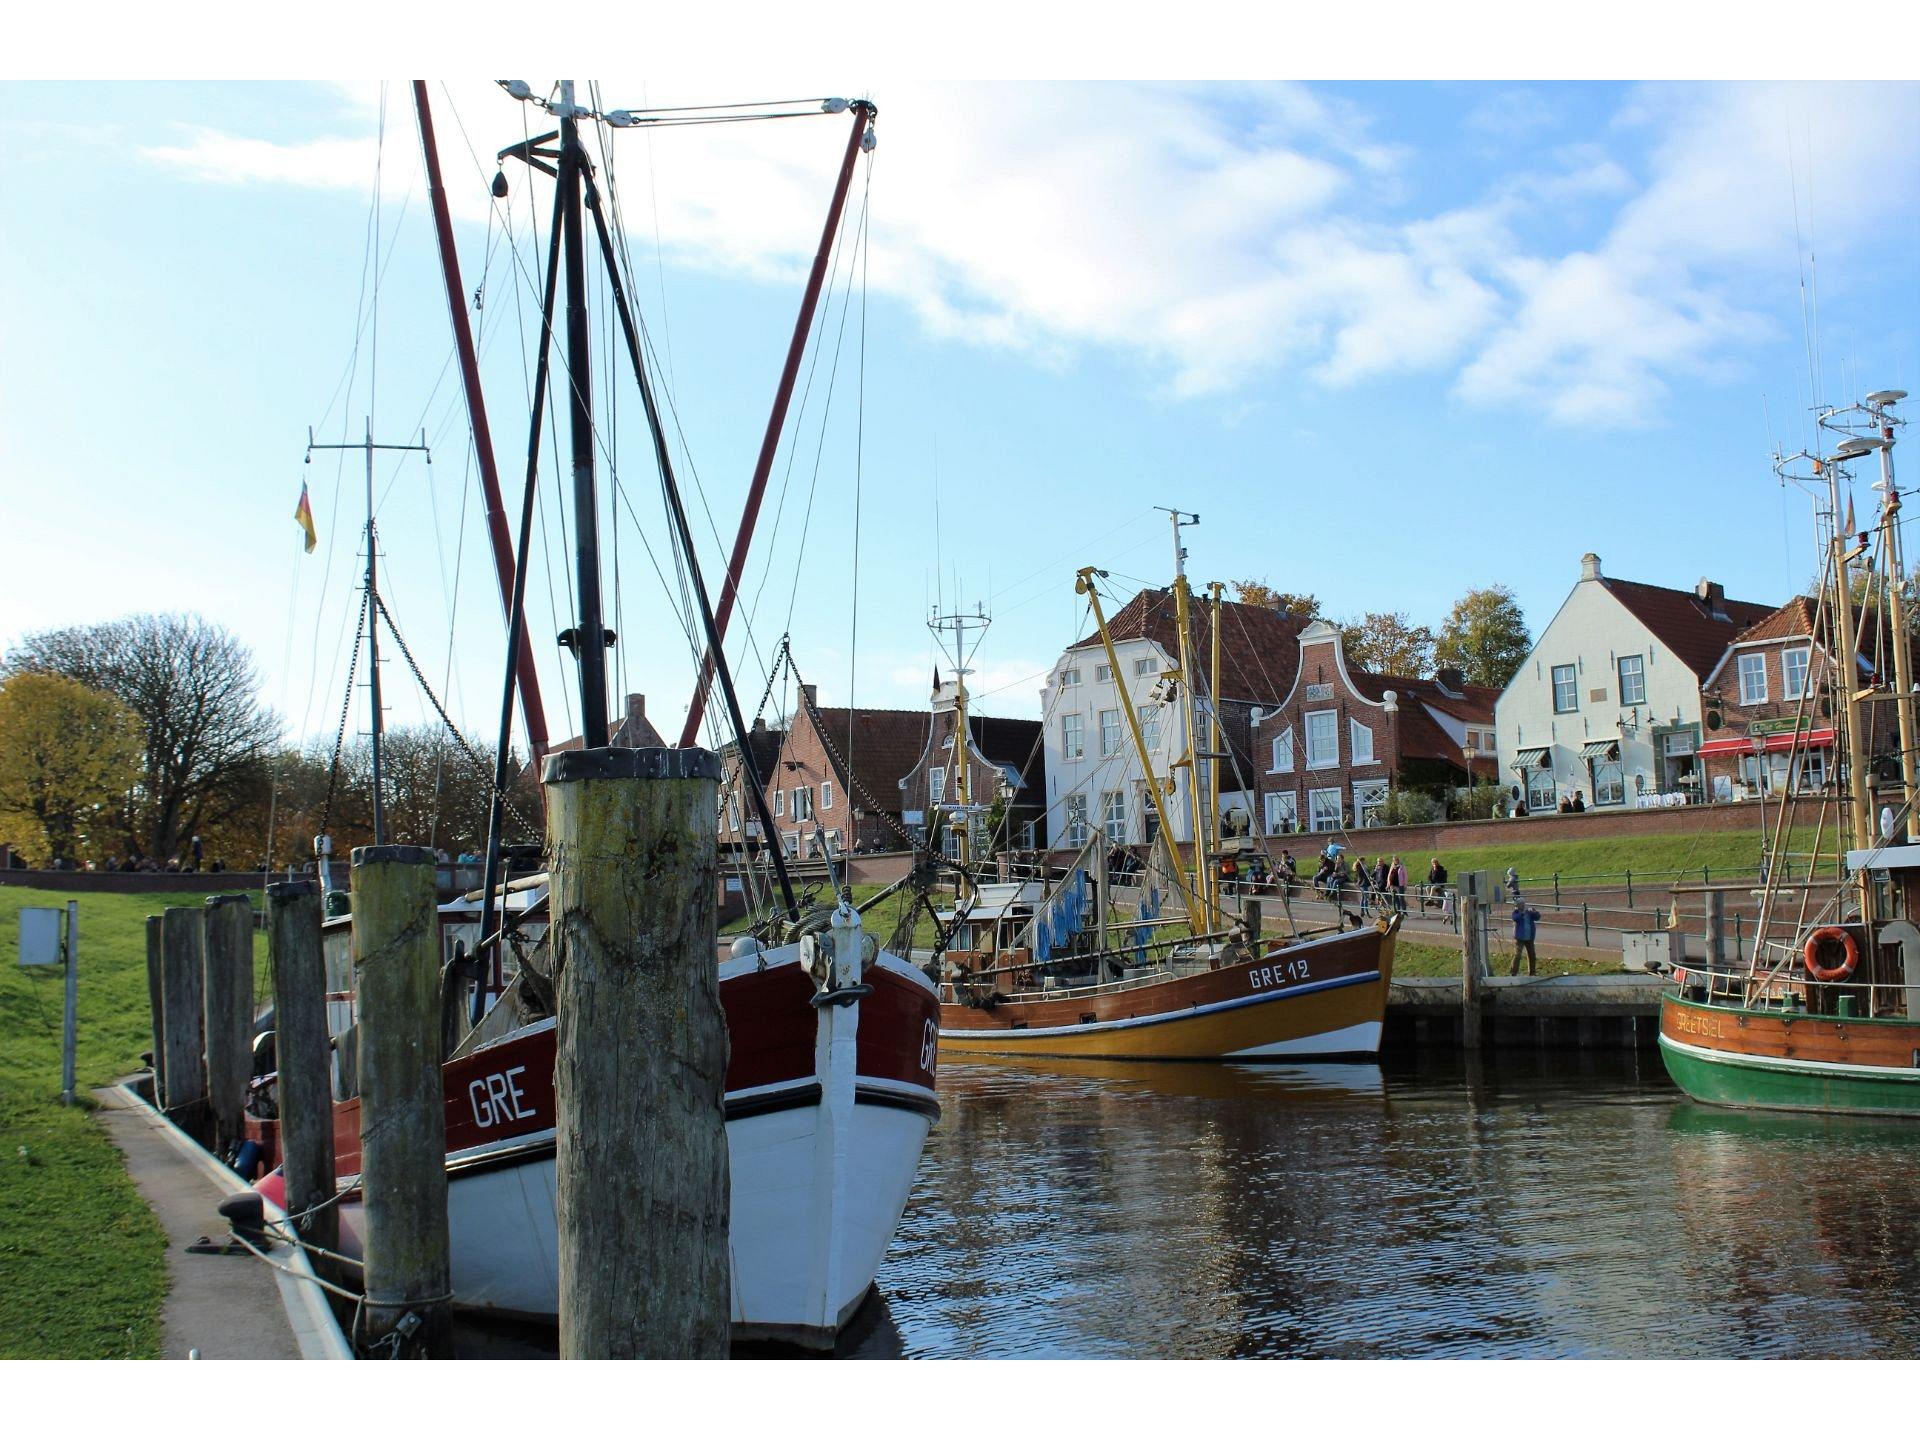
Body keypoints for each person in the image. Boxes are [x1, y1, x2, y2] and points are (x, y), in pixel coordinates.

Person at [1511, 898, 1542, 976]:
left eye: (1523, 904)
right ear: (1517, 906)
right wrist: (1521, 913)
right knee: (1517, 955)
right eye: (1521, 904)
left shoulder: (1529, 912)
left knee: (1532, 954)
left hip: (1529, 937)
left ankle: (1532, 972)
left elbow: (1537, 917)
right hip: (1519, 938)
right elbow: (1515, 918)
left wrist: (1535, 912)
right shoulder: (1516, 913)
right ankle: (1513, 972)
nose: (1523, 906)